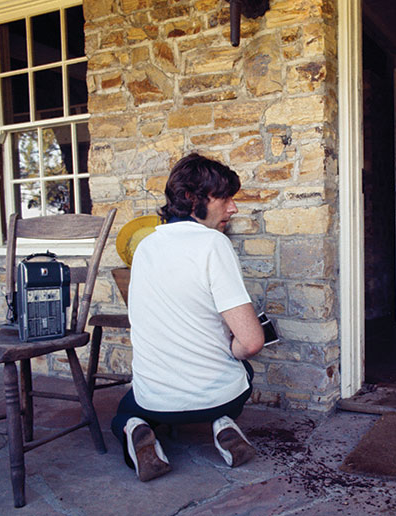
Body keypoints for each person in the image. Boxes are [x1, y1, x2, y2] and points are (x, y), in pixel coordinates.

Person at [111, 153, 265, 481]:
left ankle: (136, 429)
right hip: (215, 397)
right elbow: (252, 342)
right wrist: (231, 348)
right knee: (246, 371)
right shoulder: (214, 244)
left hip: (156, 400)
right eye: (224, 198)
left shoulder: (145, 248)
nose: (233, 208)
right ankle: (222, 422)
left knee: (127, 408)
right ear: (191, 199)